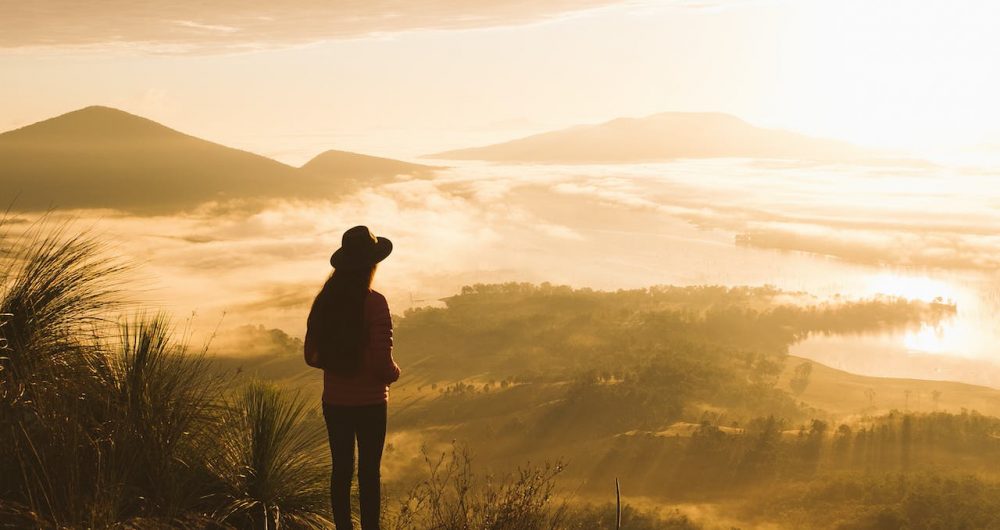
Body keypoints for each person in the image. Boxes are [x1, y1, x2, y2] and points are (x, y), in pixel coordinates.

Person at [304, 225, 401, 530]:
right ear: (371, 265)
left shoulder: (324, 303)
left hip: (335, 402)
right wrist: (395, 374)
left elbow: (311, 356)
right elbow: (382, 364)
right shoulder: (375, 303)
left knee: (341, 471)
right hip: (372, 403)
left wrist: (340, 367)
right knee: (369, 473)